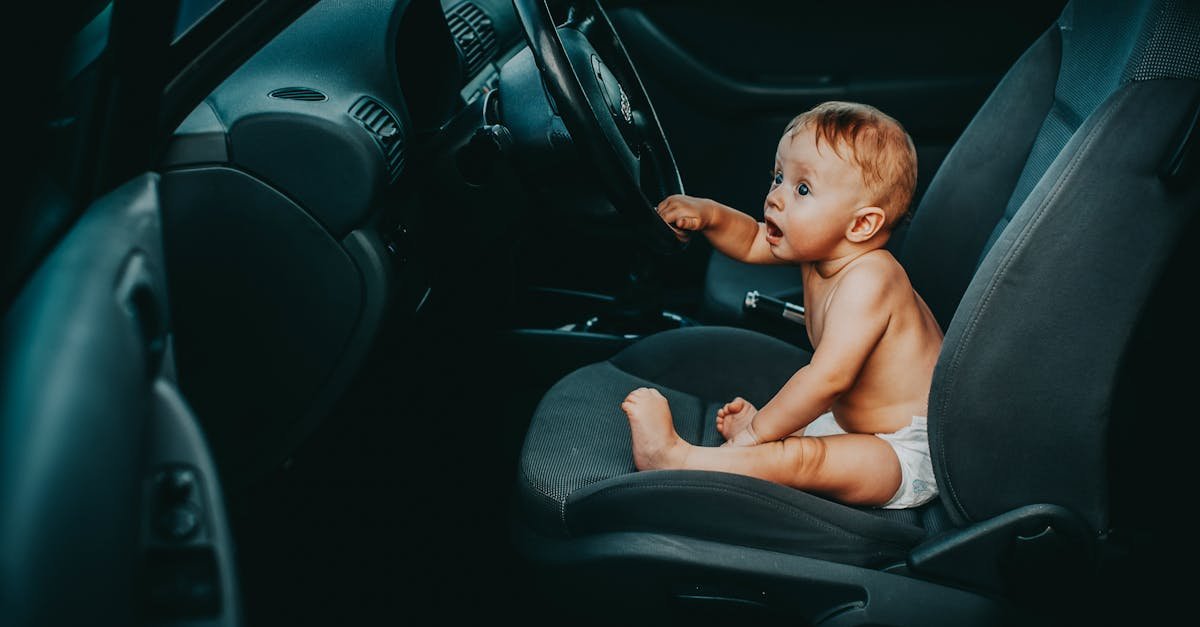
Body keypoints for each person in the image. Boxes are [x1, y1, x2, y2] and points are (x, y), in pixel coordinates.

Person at [620, 101, 943, 509]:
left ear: (861, 225)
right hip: (849, 424)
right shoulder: (821, 249)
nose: (775, 198)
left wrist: (755, 433)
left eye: (802, 189)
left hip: (904, 450)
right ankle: (765, 444)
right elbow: (754, 239)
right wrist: (709, 215)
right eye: (778, 177)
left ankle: (675, 459)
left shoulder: (871, 279)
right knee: (801, 439)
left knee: (803, 459)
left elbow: (827, 380)